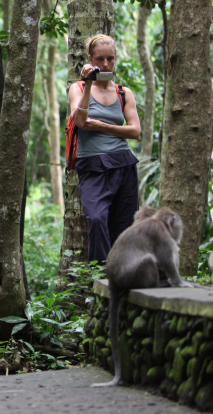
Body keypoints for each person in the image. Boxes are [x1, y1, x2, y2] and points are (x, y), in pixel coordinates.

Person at [68, 34, 142, 265]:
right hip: (92, 164)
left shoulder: (123, 93)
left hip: (123, 163)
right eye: (100, 59)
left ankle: (127, 271)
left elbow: (135, 131)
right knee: (98, 218)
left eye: (110, 58)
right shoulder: (78, 88)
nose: (105, 64)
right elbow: (79, 120)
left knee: (125, 224)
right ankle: (102, 275)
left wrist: (101, 126)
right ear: (90, 59)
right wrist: (89, 83)